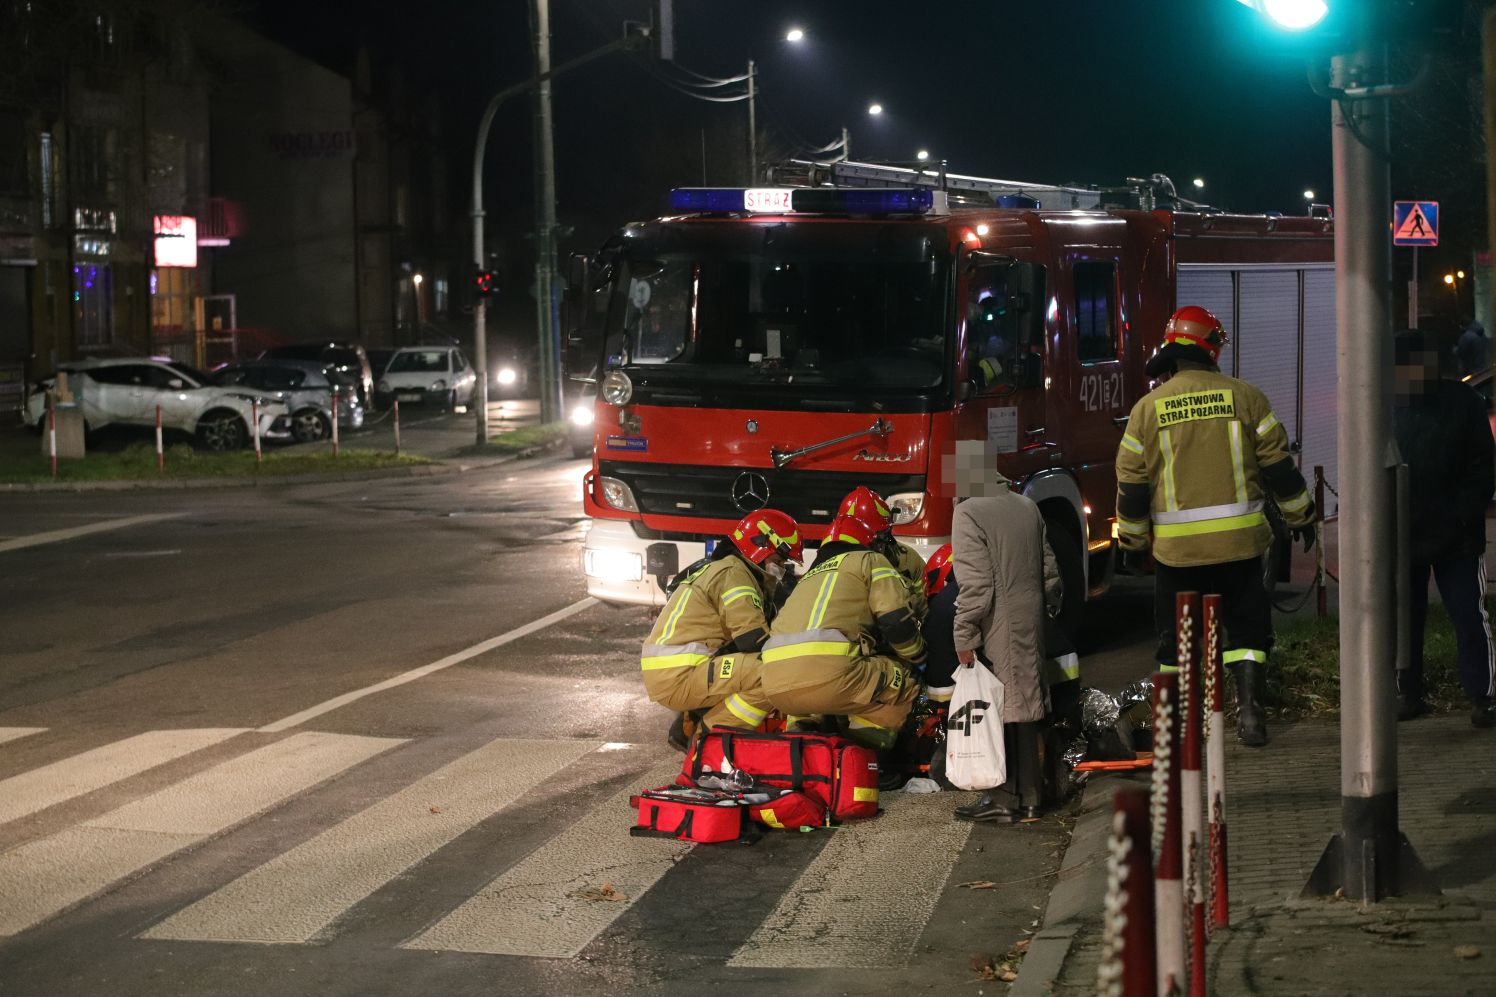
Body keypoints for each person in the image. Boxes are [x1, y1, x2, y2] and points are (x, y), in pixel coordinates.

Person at [1115, 305, 1316, 747]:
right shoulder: (1246, 398)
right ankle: (1250, 715)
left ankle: (1176, 726)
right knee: (1246, 633)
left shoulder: (1146, 411)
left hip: (1177, 555)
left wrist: (1131, 541)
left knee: (1175, 642)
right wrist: (1303, 515)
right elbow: (1279, 469)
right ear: (1212, 349)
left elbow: (1132, 485)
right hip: (1241, 548)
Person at [946, 444, 1064, 823]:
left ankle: (1004, 798)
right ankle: (1031, 797)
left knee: (1001, 706)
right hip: (1030, 614)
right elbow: (1049, 568)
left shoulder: (968, 513)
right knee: (1025, 703)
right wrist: (1047, 606)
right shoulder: (1026, 505)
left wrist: (964, 634)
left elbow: (976, 585)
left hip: (998, 618)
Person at [1393, 330, 1495, 727]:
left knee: (1469, 614)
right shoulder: (1387, 404)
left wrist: (1461, 516)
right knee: (1406, 617)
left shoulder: (1461, 402)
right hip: (1408, 532)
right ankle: (1408, 690)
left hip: (1455, 534)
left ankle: (1482, 696)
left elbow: (1481, 466)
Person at [761, 510, 926, 751]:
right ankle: (867, 757)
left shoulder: (808, 578)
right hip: (832, 680)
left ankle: (804, 754)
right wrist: (919, 657)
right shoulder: (871, 560)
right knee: (906, 678)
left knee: (814, 689)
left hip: (775, 687)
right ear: (871, 542)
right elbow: (897, 622)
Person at [640, 509, 803, 748]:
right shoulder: (734, 574)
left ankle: (698, 723)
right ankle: (708, 740)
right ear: (761, 548)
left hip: (680, 670)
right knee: (774, 674)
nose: (781, 568)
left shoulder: (732, 569)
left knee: (758, 668)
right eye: (778, 561)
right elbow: (752, 639)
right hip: (680, 674)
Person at [839, 486, 929, 623]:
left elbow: (925, 607)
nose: (875, 544)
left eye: (879, 536)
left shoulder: (907, 559)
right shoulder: (835, 562)